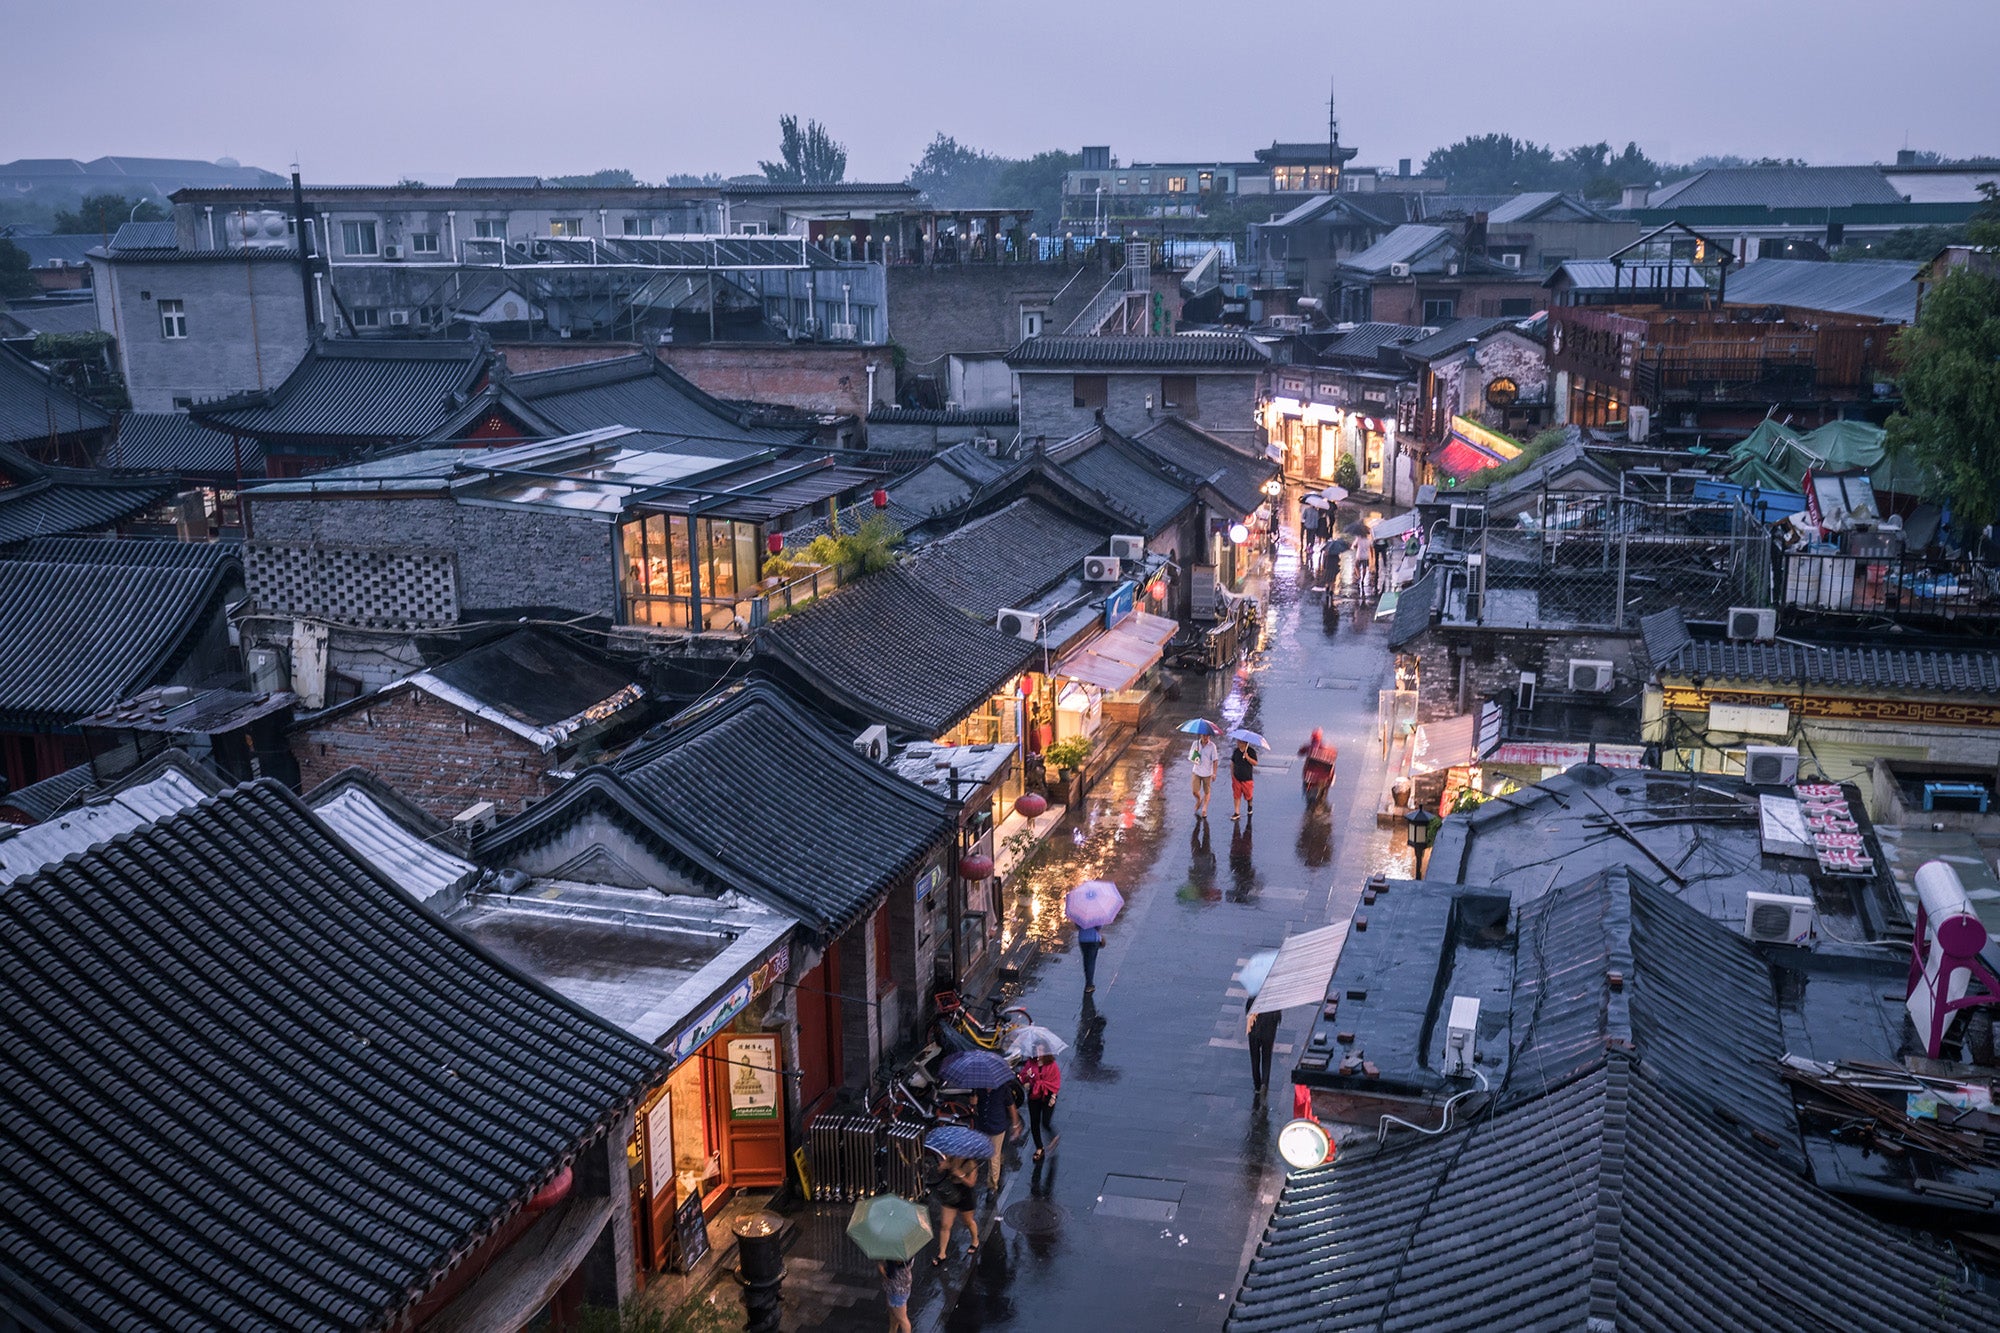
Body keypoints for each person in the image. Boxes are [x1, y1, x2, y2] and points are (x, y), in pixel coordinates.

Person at [931, 1155, 979, 1263]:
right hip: (950, 1193)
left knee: (968, 1221)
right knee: (945, 1225)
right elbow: (940, 1171)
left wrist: (960, 1175)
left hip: (965, 1194)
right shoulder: (950, 1158)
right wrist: (943, 1167)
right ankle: (942, 1253)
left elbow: (971, 1183)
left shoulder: (971, 1163)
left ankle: (975, 1240)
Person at [972, 1083, 1019, 1190]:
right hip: (982, 1125)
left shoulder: (1003, 1089)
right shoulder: (979, 1088)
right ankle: (998, 1163)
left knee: (993, 1156)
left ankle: (992, 1186)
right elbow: (976, 1109)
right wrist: (973, 1104)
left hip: (997, 1127)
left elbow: (1011, 1107)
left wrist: (1016, 1124)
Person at [1020, 1052, 1062, 1160]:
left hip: (1047, 1095)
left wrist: (1053, 1096)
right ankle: (1039, 1147)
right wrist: (1027, 1077)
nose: (1039, 1053)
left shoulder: (1052, 1065)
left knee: (1045, 1122)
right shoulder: (1030, 1063)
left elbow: (1056, 1081)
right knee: (1034, 1122)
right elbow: (1023, 1077)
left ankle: (1053, 1137)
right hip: (1034, 1096)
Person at [1247, 998, 1281, 1100]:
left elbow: (1248, 1010)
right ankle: (1264, 1084)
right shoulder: (1274, 1002)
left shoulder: (1253, 997)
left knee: (1255, 1059)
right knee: (1266, 1058)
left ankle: (1257, 1085)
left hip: (1254, 1033)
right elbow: (1278, 1017)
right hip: (1268, 1034)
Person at [1296, 728, 1338, 805]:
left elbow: (1300, 753)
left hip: (1310, 776)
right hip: (1324, 776)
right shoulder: (1328, 748)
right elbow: (1334, 754)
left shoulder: (1309, 747)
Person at [1188, 731, 1219, 817]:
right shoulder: (1195, 744)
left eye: (1207, 735)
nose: (1205, 737)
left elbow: (1215, 760)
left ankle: (1204, 808)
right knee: (1194, 791)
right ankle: (1199, 799)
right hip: (1196, 771)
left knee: (1207, 791)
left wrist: (1214, 773)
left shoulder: (1212, 746)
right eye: (1203, 735)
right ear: (1200, 735)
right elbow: (1191, 758)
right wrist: (1195, 752)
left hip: (1207, 773)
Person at [879, 1258, 913, 1332]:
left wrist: (881, 1267)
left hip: (896, 1291)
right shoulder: (908, 1255)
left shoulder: (895, 1262)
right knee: (894, 1314)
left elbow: (888, 1275)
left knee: (902, 1319)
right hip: (902, 1287)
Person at [1231, 739, 1259, 819]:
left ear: (1245, 743)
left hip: (1247, 778)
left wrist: (1248, 758)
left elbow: (1255, 763)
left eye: (1240, 742)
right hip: (1237, 777)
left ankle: (1249, 804)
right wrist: (1232, 774)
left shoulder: (1251, 751)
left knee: (1248, 795)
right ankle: (1237, 812)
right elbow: (1232, 762)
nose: (1238, 743)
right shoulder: (1236, 751)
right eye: (1238, 741)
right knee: (1236, 795)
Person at [1077, 922, 1103, 992]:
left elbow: (1077, 926)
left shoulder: (1080, 914)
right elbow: (1099, 926)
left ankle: (1087, 979)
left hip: (1082, 939)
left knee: (1086, 960)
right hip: (1093, 940)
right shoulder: (1096, 914)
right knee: (1091, 961)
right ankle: (1089, 984)